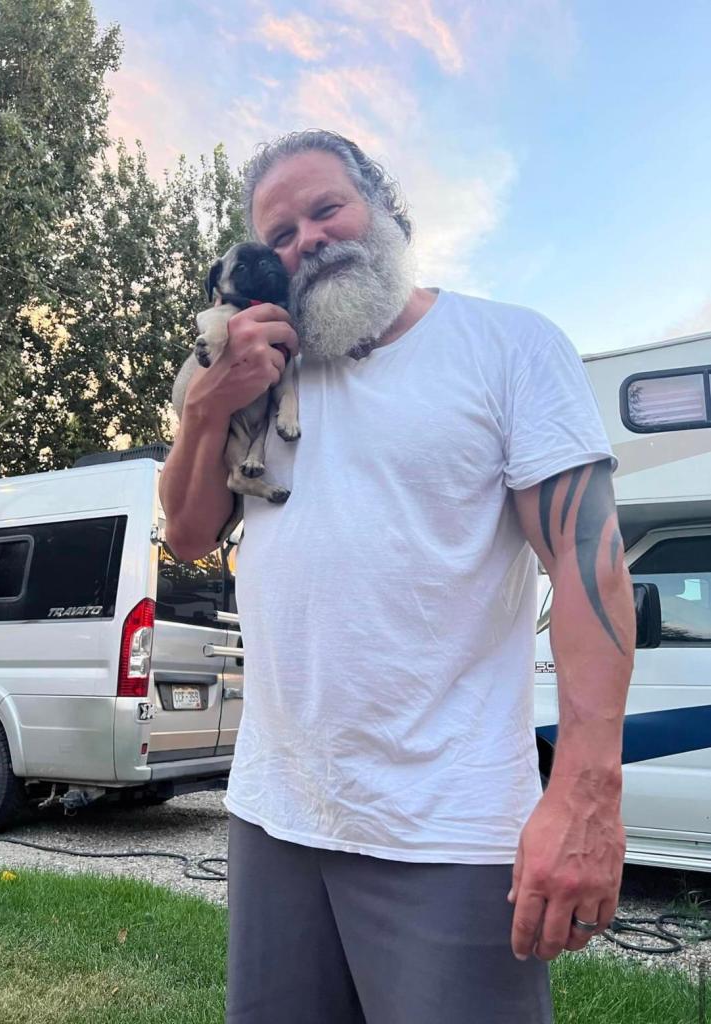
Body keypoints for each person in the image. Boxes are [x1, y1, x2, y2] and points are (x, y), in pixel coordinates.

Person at [159, 130, 635, 1024]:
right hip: (275, 812)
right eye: (282, 231)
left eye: (326, 208)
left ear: (382, 207)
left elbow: (587, 568)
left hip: (445, 826)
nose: (308, 238)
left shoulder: (506, 346)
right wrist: (206, 407)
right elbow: (187, 534)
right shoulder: (255, 377)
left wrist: (583, 793)